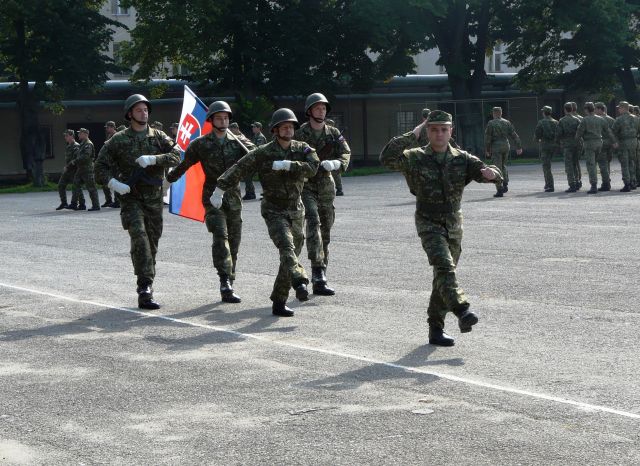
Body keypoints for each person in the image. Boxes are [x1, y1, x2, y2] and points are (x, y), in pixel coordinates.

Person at [380, 110, 502, 347]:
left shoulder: (462, 158)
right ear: (427, 132)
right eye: (434, 129)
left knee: (443, 276)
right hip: (428, 221)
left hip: (454, 223)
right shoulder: (415, 157)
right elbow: (387, 158)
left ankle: (436, 328)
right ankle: (462, 309)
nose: (439, 134)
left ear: (450, 131)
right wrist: (413, 133)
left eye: (444, 129)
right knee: (444, 267)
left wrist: (492, 174)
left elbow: (490, 173)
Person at [215, 108, 320, 317]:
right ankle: (300, 280)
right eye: (284, 127)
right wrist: (220, 188)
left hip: (296, 209)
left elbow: (313, 167)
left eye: (291, 127)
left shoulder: (303, 148)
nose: (288, 130)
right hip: (274, 209)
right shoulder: (264, 152)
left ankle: (279, 301)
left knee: (290, 255)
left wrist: (291, 165)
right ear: (275, 130)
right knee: (286, 247)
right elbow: (240, 167)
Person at [94, 94, 180, 309]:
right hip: (131, 197)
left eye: (146, 109)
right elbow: (99, 167)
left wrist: (154, 159)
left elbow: (177, 155)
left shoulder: (158, 136)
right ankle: (144, 288)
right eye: (139, 110)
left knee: (151, 243)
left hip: (154, 198)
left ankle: (147, 280)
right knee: (139, 236)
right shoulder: (118, 140)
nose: (144, 113)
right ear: (130, 114)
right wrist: (114, 183)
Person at [166, 101, 255, 303]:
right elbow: (185, 164)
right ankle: (224, 281)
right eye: (219, 118)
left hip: (233, 197)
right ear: (211, 121)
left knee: (234, 240)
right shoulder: (201, 144)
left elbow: (257, 156)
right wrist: (167, 182)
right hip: (212, 197)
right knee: (220, 235)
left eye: (226, 118)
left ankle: (230, 278)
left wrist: (251, 150)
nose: (223, 121)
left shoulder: (238, 141)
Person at [295, 92, 351, 296]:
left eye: (324, 108)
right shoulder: (300, 133)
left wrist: (337, 163)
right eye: (318, 108)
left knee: (325, 230)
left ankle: (320, 276)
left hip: (326, 186)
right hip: (306, 185)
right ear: (309, 111)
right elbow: (291, 153)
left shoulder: (333, 133)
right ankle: (317, 271)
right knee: (313, 221)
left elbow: (346, 152)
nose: (322, 111)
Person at [575, 102, 617, 194]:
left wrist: (576, 142)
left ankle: (593, 185)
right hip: (599, 143)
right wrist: (614, 141)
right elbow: (609, 131)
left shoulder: (585, 120)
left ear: (586, 110)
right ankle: (606, 183)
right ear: (593, 109)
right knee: (603, 163)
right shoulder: (601, 119)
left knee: (591, 165)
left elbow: (579, 133)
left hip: (589, 144)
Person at [484, 106, 522, 197]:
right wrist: (519, 146)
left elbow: (488, 138)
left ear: (493, 113)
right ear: (501, 113)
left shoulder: (491, 123)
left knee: (497, 168)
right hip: (506, 145)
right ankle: (505, 183)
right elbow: (514, 135)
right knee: (503, 165)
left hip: (496, 147)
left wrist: (487, 149)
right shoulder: (507, 122)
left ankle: (499, 189)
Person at [56, 129, 86, 210]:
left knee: (76, 187)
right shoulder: (68, 146)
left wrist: (68, 166)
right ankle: (64, 203)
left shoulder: (76, 146)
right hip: (68, 170)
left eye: (67, 136)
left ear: (72, 136)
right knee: (61, 185)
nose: (65, 137)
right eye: (65, 136)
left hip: (74, 170)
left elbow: (75, 159)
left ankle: (82, 204)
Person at [556, 102, 582, 192]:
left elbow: (558, 134)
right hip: (576, 144)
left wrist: (558, 142)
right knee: (575, 164)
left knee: (569, 165)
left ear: (565, 110)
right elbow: (580, 131)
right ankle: (577, 181)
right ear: (572, 109)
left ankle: (572, 184)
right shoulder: (577, 120)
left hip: (567, 145)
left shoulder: (562, 120)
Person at [612, 101, 638, 192]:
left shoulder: (619, 119)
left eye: (619, 108)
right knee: (631, 162)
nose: (618, 110)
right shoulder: (636, 118)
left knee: (624, 163)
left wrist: (615, 142)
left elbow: (613, 131)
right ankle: (633, 181)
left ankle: (627, 184)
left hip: (624, 142)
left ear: (623, 108)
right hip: (634, 142)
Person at [73, 128, 101, 211]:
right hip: (81, 168)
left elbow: (86, 156)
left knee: (91, 187)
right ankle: (82, 204)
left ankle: (96, 205)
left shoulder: (88, 144)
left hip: (87, 169)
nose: (78, 135)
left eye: (80, 133)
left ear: (85, 134)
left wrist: (76, 160)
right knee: (76, 184)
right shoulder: (82, 144)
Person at [534, 106, 558, 192]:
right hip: (554, 146)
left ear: (544, 113)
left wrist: (537, 140)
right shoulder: (556, 122)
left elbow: (537, 134)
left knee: (546, 166)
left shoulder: (541, 122)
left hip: (545, 146)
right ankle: (547, 183)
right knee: (548, 165)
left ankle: (550, 185)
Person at [242, 121, 267, 201]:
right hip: (256, 161)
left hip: (260, 161)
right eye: (253, 127)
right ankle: (250, 193)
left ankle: (263, 195)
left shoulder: (260, 137)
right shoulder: (256, 136)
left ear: (259, 128)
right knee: (248, 175)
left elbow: (258, 149)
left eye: (254, 127)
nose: (253, 128)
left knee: (263, 178)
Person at [594, 102, 616, 191]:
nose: (594, 111)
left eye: (595, 109)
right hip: (610, 144)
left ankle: (606, 183)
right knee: (607, 164)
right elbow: (614, 132)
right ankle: (607, 181)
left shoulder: (598, 120)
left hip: (602, 144)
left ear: (600, 109)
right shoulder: (611, 119)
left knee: (603, 165)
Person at [101, 121, 117, 207]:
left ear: (112, 127)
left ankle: (117, 201)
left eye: (107, 127)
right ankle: (109, 200)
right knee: (105, 182)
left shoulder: (117, 136)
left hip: (115, 163)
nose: (106, 129)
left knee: (116, 181)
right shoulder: (109, 136)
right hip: (108, 163)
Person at [570, 101, 584, 189]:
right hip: (580, 142)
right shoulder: (581, 118)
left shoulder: (568, 118)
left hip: (571, 142)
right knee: (576, 161)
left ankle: (576, 180)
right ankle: (578, 179)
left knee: (572, 162)